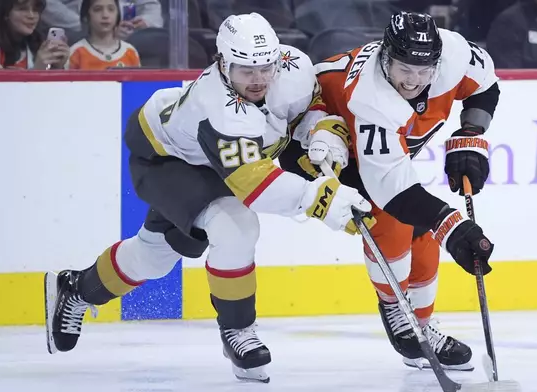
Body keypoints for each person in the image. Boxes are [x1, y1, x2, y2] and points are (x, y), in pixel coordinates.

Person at [44, 12, 371, 384]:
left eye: (266, 67)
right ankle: (238, 331)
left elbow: (310, 107)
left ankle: (75, 289)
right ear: (222, 62)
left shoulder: (293, 66)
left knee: (154, 258)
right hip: (168, 159)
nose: (259, 79)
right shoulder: (216, 107)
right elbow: (255, 184)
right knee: (236, 226)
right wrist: (321, 200)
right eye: (246, 70)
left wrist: (324, 133)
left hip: (213, 159)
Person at [278, 11, 500, 371]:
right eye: (403, 68)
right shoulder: (371, 97)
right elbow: (390, 190)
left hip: (375, 151)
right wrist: (454, 226)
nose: (413, 81)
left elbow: (486, 86)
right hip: (315, 139)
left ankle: (424, 325)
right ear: (385, 56)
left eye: (423, 70)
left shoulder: (454, 54)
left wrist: (470, 135)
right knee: (394, 219)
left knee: (424, 230)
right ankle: (396, 307)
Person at [69, 0, 141, 69]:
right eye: (98, 10)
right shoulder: (76, 52)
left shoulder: (130, 51)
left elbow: (138, 81)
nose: (105, 15)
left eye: (111, 9)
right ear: (86, 17)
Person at [0, 0, 70, 69]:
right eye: (23, 9)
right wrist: (37, 70)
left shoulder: (39, 43)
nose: (31, 16)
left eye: (35, 10)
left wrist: (56, 67)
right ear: (5, 13)